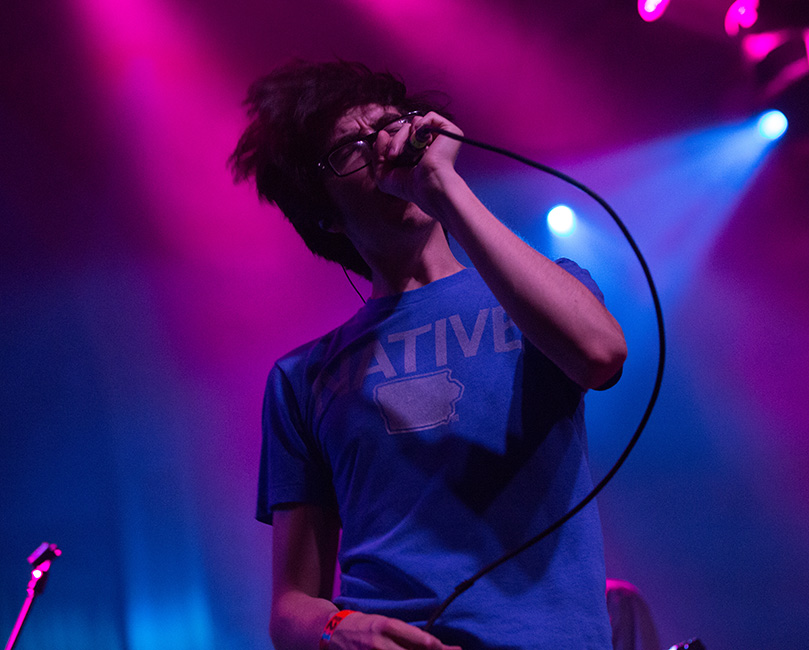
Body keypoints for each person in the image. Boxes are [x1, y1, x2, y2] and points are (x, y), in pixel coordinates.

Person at [230, 59, 628, 650]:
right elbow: (289, 608)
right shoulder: (302, 378)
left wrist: (443, 187)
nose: (387, 148)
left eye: (392, 125)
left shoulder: (541, 289)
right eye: (352, 148)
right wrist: (338, 627)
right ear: (323, 213)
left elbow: (601, 354)